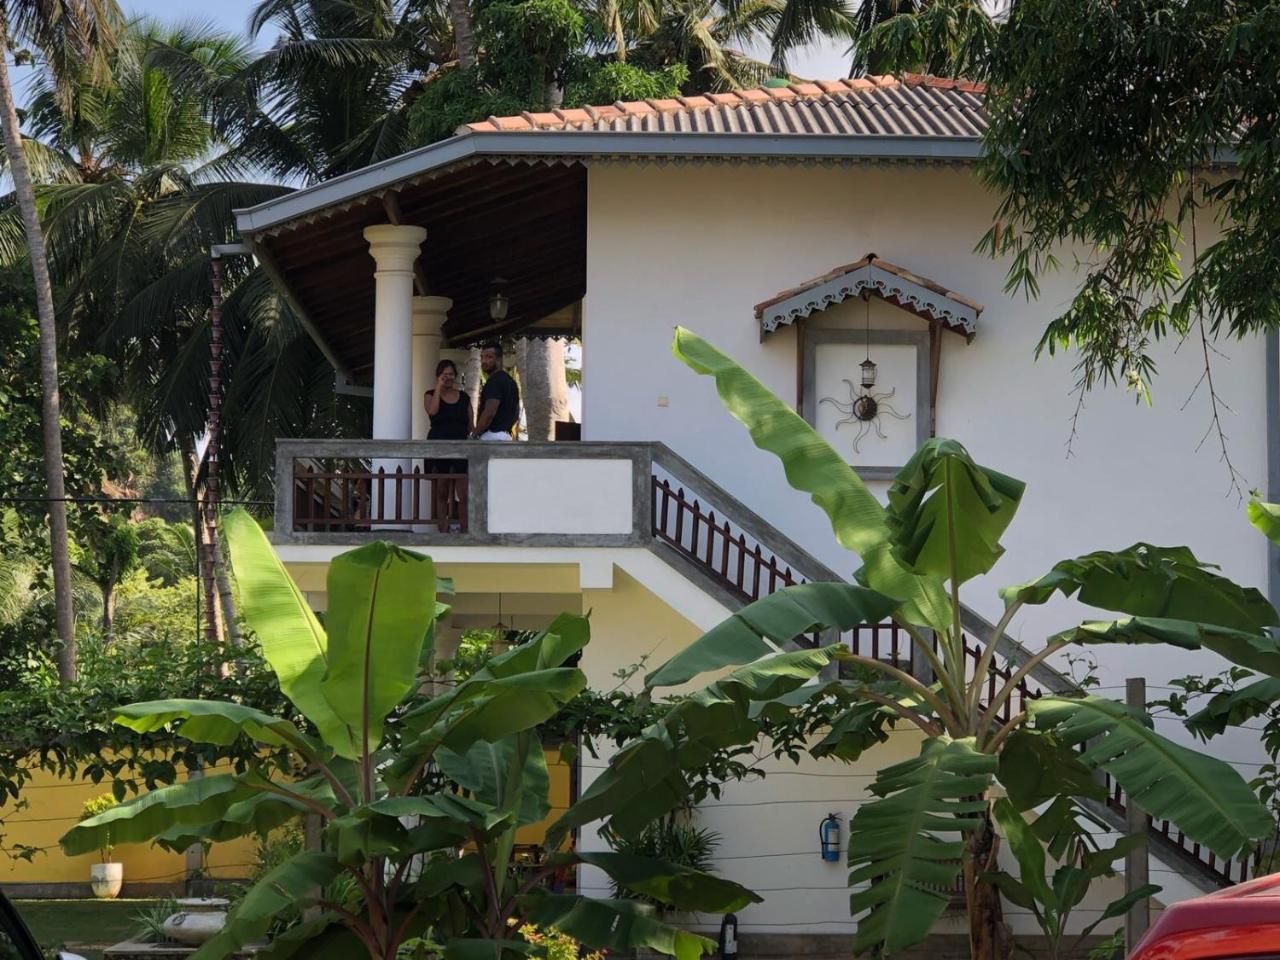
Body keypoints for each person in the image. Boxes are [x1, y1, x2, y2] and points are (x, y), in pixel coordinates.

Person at [424, 359, 470, 529]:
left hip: (461, 448)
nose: (448, 377)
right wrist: (439, 387)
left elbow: (470, 424)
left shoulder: (464, 397)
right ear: (438, 376)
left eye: (451, 374)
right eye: (444, 374)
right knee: (442, 491)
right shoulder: (430, 394)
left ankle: (465, 529)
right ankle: (443, 530)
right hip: (439, 448)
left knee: (463, 493)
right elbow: (432, 411)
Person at [471, 343, 520, 440]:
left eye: (489, 357)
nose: (484, 361)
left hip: (491, 436)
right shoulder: (511, 382)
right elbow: (516, 413)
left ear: (499, 359)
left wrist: (474, 435)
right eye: (482, 357)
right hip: (506, 436)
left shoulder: (494, 381)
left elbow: (489, 413)